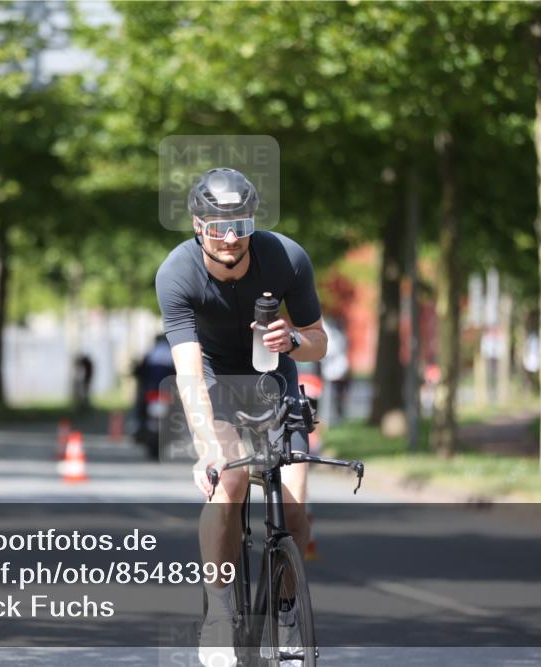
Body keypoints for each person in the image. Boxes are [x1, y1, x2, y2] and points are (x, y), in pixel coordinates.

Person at [155, 167, 328, 667]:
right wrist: (208, 448)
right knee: (228, 483)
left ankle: (287, 615)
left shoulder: (287, 258)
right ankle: (218, 612)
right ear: (197, 225)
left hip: (275, 381)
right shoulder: (177, 273)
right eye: (217, 227)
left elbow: (319, 342)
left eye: (241, 226)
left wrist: (293, 340)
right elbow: (189, 373)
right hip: (215, 384)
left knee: (294, 509)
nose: (230, 238)